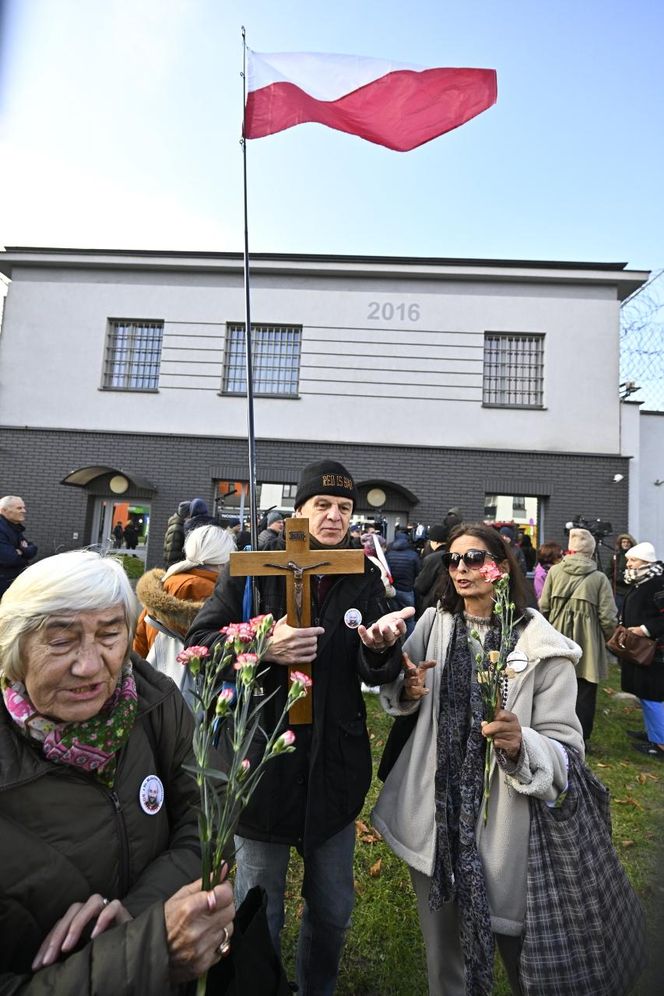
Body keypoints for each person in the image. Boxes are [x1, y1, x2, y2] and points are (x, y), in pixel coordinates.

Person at [186, 458, 413, 996]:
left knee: (333, 908)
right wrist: (262, 644)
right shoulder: (252, 564)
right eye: (323, 505)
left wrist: (381, 649)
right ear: (300, 510)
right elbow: (201, 644)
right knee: (258, 907)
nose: (334, 517)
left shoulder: (357, 571)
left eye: (344, 508)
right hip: (262, 763)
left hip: (333, 766)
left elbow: (371, 660)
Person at [0, 550, 235, 993]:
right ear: (14, 650)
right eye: (61, 640)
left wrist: (141, 915)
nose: (89, 666)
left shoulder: (152, 700)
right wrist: (148, 949)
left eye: (109, 635)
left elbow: (210, 813)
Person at [372, 523, 584, 996]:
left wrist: (521, 744)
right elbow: (398, 684)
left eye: (473, 559)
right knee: (444, 954)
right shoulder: (436, 623)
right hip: (436, 817)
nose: (461, 569)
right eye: (453, 560)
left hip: (507, 827)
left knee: (524, 958)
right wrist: (406, 689)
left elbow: (568, 753)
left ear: (502, 566)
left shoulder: (541, 648)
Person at [133, 525, 237, 698]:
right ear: (223, 558)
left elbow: (139, 640)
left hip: (153, 681)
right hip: (192, 693)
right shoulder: (206, 589)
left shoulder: (167, 581)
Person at [539, 528, 617, 746]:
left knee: (555, 685)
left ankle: (553, 733)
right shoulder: (599, 578)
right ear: (591, 552)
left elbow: (543, 606)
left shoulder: (554, 572)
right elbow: (607, 616)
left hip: (557, 636)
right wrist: (611, 638)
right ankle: (581, 737)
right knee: (585, 689)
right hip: (588, 642)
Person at [619, 541, 664, 761]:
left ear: (646, 562)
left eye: (633, 560)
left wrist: (645, 629)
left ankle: (661, 743)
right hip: (642, 650)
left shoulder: (658, 584)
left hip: (655, 651)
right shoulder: (642, 581)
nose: (629, 564)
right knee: (646, 694)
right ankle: (652, 734)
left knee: (653, 696)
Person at [0, 495, 38, 599]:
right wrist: (24, 552)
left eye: (23, 507)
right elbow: (10, 559)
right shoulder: (2, 529)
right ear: (4, 510)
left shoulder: (13, 528)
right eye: (19, 508)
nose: (24, 511)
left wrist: (21, 551)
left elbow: (33, 548)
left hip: (10, 581)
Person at [386, 529, 421, 637]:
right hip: (407, 590)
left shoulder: (389, 554)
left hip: (393, 591)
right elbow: (418, 572)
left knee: (392, 619)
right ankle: (409, 643)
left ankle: (393, 642)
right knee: (409, 619)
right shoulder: (413, 555)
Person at [414, 525, 448, 617]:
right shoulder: (453, 555)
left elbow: (421, 586)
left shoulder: (432, 558)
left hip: (432, 605)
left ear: (435, 542)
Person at [605, 532, 637, 615]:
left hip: (631, 590)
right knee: (618, 612)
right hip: (618, 591)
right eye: (624, 542)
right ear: (620, 543)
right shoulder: (615, 557)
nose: (625, 544)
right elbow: (608, 571)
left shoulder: (635, 557)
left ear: (631, 543)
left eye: (627, 542)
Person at [163, 500, 191, 567]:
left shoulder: (178, 525)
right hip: (174, 569)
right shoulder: (177, 528)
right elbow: (172, 555)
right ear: (186, 514)